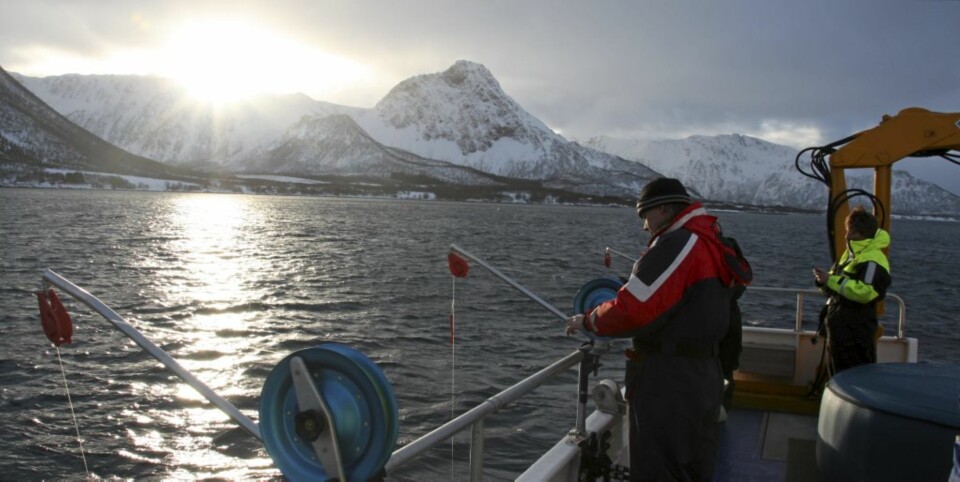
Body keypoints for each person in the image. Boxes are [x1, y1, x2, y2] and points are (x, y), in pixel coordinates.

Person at [565, 177, 740, 482]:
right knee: (695, 465)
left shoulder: (678, 243)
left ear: (662, 209)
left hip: (670, 379)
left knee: (659, 467)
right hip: (705, 373)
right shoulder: (712, 240)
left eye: (644, 215)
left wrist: (590, 320)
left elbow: (633, 309)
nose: (645, 226)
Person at [812, 206, 891, 374]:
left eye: (850, 231)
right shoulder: (850, 256)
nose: (846, 235)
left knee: (854, 376)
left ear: (860, 233)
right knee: (837, 373)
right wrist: (823, 282)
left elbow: (865, 292)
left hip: (855, 332)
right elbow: (836, 286)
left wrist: (830, 280)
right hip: (840, 329)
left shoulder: (872, 260)